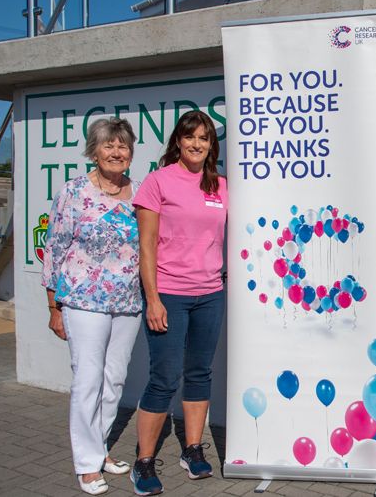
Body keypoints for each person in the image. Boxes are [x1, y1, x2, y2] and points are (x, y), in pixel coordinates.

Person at [41, 118, 141, 495]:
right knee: (88, 380)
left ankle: (97, 450)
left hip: (129, 301)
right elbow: (54, 248)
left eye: (123, 147)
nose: (117, 153)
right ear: (94, 151)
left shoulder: (140, 190)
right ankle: (85, 464)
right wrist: (53, 306)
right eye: (108, 146)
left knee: (114, 379)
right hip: (83, 300)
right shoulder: (74, 191)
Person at [130, 110, 227, 496]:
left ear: (211, 145)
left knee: (200, 373)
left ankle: (191, 448)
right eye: (190, 137)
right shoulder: (158, 182)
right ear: (178, 141)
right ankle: (144, 461)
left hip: (210, 294)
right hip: (168, 294)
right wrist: (152, 298)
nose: (197, 144)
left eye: (204, 138)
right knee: (164, 378)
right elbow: (146, 246)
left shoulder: (221, 185)